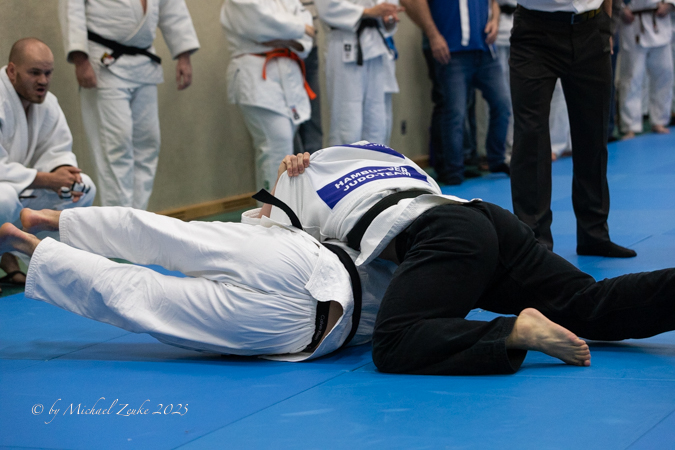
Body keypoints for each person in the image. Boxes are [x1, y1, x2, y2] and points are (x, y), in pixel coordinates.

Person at [264, 143, 675, 375]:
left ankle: (515, 332)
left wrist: (282, 180)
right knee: (587, 303)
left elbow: (267, 241)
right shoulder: (385, 157)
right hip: (486, 217)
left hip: (444, 235)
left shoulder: (298, 181)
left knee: (393, 342)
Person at [0, 204, 395, 360]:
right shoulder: (419, 299)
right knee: (143, 298)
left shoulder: (415, 224)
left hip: (302, 267)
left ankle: (51, 222)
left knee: (166, 235)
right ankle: (33, 245)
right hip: (307, 320)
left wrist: (292, 175)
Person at [508, 0, 636, 257]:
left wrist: (605, 25)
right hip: (535, 32)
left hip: (591, 27)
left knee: (594, 135)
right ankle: (534, 243)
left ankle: (594, 234)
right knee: (531, 139)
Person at [58, 0, 200, 209]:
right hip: (104, 63)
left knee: (148, 144)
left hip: (144, 65)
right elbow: (72, 7)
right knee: (116, 146)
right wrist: (80, 59)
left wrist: (183, 55)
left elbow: (172, 7)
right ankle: (117, 219)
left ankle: (138, 215)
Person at [0, 38, 96, 294]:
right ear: (12, 71)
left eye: (48, 73)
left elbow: (58, 148)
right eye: (34, 73)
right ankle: (8, 256)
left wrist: (62, 173)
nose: (43, 80)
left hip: (18, 187)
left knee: (83, 188)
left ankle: (47, 263)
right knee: (4, 199)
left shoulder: (48, 103)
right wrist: (46, 180)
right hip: (6, 192)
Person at [400, 0, 511, 185]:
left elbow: (493, 2)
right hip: (452, 52)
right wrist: (433, 35)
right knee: (454, 112)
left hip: (484, 51)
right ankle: (453, 170)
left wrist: (495, 20)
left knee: (503, 103)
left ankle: (496, 159)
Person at [221, 0, 316, 191]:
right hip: (256, 76)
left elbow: (308, 34)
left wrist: (286, 36)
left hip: (288, 74)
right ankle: (270, 207)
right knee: (276, 145)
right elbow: (260, 24)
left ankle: (275, 203)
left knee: (283, 146)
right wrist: (298, 30)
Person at [315, 0, 403, 146]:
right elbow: (327, 7)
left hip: (375, 45)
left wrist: (388, 18)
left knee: (377, 122)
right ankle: (345, 160)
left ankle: (375, 160)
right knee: (347, 122)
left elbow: (386, 8)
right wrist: (367, 12)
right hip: (344, 42)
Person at [618, 0, 675, 140]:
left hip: (660, 20)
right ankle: (630, 126)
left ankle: (660, 120)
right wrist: (620, 8)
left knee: (664, 74)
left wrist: (670, 4)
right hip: (633, 21)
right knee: (632, 77)